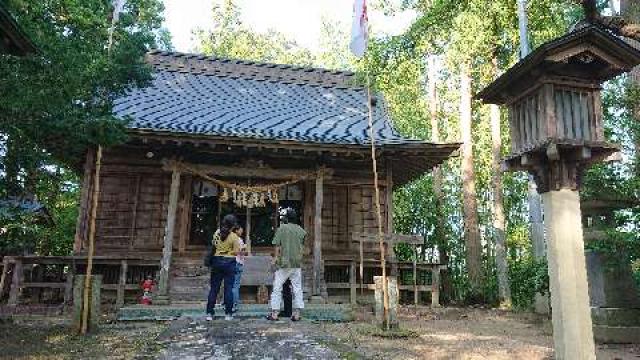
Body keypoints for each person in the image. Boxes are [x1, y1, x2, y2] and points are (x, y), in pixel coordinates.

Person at [267, 208, 306, 321]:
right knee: (297, 288)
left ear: (286, 218)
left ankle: (274, 313)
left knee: (277, 287)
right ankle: (297, 314)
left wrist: (274, 259)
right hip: (297, 263)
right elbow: (302, 246)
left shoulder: (282, 228)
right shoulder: (301, 230)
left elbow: (277, 246)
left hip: (284, 263)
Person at [206, 214, 242, 321]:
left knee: (214, 288)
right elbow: (236, 252)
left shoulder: (217, 233)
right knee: (228, 289)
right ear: (232, 226)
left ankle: (209, 313)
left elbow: (214, 245)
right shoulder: (234, 237)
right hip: (229, 262)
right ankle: (228, 314)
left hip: (216, 261)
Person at [232, 226, 246, 313]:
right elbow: (239, 252)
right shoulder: (239, 240)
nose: (241, 232)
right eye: (240, 230)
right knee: (236, 284)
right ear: (236, 230)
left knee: (230, 283)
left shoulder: (229, 238)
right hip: (238, 262)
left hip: (230, 262)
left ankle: (227, 302)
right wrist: (244, 249)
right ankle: (234, 304)